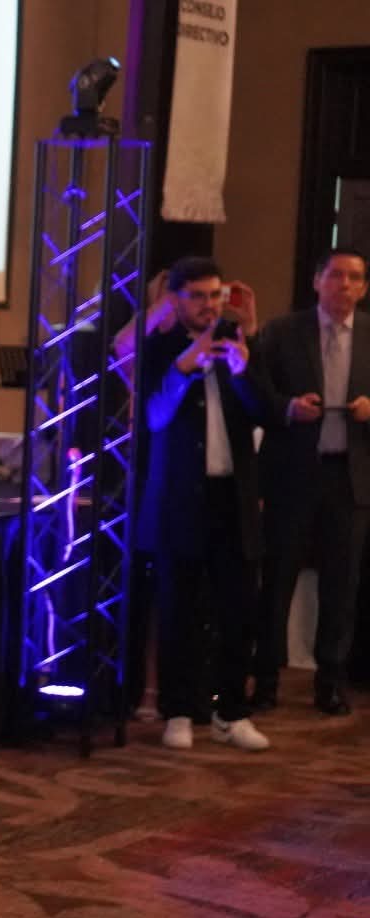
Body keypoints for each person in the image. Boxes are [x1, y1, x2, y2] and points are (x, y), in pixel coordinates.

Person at [137, 257, 275, 751]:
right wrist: (184, 365)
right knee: (179, 610)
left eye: (215, 295)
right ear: (175, 300)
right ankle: (177, 711)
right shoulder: (160, 348)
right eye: (197, 296)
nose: (209, 305)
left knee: (239, 611)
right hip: (181, 499)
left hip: (233, 499)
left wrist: (242, 370)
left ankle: (231, 713)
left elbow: (269, 414)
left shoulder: (239, 344)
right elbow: (153, 419)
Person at [250, 247, 370, 716]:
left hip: (350, 477)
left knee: (342, 585)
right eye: (336, 275)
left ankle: (330, 682)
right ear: (317, 281)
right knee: (277, 580)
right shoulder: (283, 332)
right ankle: (264, 680)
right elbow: (257, 395)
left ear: (364, 287)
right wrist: (288, 408)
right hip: (293, 474)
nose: (345, 285)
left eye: (354, 278)